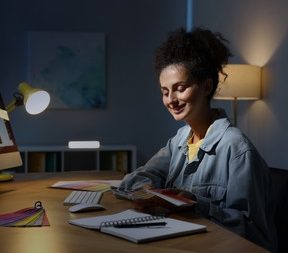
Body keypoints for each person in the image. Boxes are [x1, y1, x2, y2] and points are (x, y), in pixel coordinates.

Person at [119, 27, 277, 251]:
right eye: (165, 92)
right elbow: (135, 179)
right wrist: (148, 191)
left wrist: (195, 204)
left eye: (180, 89)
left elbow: (255, 234)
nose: (171, 100)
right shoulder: (181, 139)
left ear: (206, 87)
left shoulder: (236, 148)